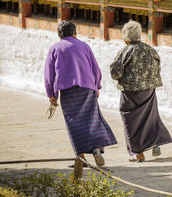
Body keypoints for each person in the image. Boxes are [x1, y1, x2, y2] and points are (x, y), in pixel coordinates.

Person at [44, 20, 117, 166]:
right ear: (74, 33)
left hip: (68, 92)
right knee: (91, 120)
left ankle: (81, 157)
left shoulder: (55, 49)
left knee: (74, 124)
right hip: (87, 88)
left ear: (59, 34)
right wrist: (96, 87)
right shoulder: (84, 46)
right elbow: (95, 69)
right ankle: (96, 150)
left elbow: (49, 74)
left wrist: (52, 95)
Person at [110, 21, 172, 162]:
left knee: (130, 120)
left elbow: (115, 73)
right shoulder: (150, 50)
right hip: (149, 90)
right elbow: (157, 68)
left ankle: (138, 153)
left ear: (127, 38)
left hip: (130, 93)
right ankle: (154, 142)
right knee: (150, 117)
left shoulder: (126, 51)